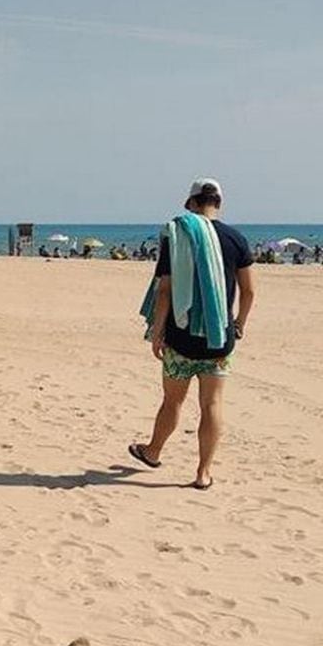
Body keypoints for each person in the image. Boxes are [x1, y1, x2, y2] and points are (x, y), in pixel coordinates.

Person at [128, 178, 254, 491]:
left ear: (193, 203)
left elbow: (166, 291)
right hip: (218, 338)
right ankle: (203, 473)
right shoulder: (236, 239)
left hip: (181, 337)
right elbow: (249, 291)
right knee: (212, 404)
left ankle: (153, 451)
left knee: (172, 401)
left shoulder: (179, 236)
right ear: (218, 203)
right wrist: (238, 324)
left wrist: (157, 331)